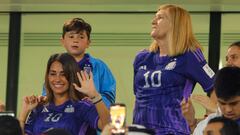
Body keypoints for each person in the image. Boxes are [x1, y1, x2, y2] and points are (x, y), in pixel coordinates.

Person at [132, 4, 215, 135]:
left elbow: (215, 86)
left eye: (160, 18)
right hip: (140, 131)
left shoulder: (189, 55)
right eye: (155, 17)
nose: (153, 21)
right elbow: (138, 97)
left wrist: (212, 115)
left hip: (173, 131)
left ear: (175, 24)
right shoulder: (142, 57)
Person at [19, 53, 110, 135]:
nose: (57, 79)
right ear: (47, 76)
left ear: (72, 76)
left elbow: (107, 126)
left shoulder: (83, 107)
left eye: (63, 74)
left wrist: (95, 96)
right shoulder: (39, 107)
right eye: (53, 74)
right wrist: (24, 114)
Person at [42, 17, 116, 108]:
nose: (75, 40)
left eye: (81, 37)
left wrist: (94, 100)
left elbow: (109, 96)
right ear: (62, 41)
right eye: (71, 36)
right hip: (63, 117)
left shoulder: (98, 66)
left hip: (91, 117)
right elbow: (47, 94)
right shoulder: (56, 65)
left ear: (88, 42)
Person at [181, 41, 240, 132]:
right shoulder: (218, 89)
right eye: (227, 59)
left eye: (234, 57)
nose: (228, 62)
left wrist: (217, 109)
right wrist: (191, 122)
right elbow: (208, 128)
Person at [192, 66, 240, 135]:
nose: (228, 110)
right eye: (222, 103)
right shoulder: (207, 126)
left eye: (233, 103)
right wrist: (191, 123)